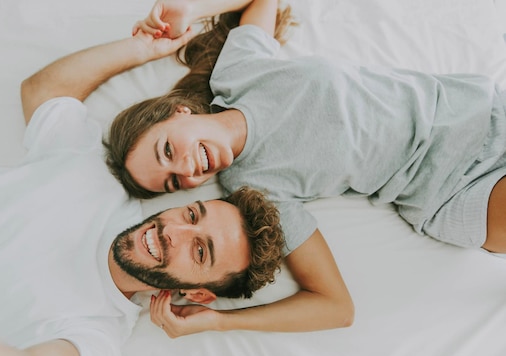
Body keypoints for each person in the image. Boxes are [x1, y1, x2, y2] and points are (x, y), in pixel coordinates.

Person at [0, 7, 285, 356]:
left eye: (199, 251)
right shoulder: (99, 174)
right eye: (192, 215)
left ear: (197, 293)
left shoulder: (95, 337)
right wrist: (141, 48)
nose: (173, 232)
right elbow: (42, 91)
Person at [105, 0, 506, 336]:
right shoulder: (256, 190)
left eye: (169, 150)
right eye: (175, 182)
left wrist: (189, 10)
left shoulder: (239, 73)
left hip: (482, 110)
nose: (189, 171)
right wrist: (219, 322)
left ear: (180, 112)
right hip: (454, 188)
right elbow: (336, 307)